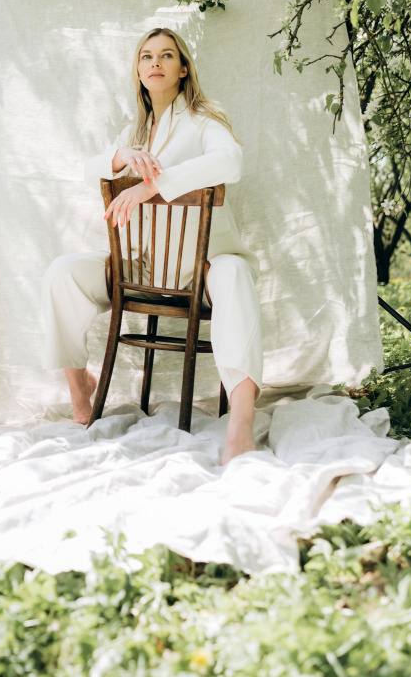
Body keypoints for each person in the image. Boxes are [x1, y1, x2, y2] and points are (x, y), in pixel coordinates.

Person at [42, 27, 263, 464]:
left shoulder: (205, 121)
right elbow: (89, 168)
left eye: (166, 55)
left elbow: (230, 162)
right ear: (138, 70)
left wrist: (152, 186)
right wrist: (120, 158)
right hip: (141, 265)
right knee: (61, 272)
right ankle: (80, 389)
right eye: (146, 56)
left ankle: (241, 417)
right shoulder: (135, 131)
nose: (155, 63)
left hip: (202, 266)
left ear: (183, 69)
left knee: (236, 274)